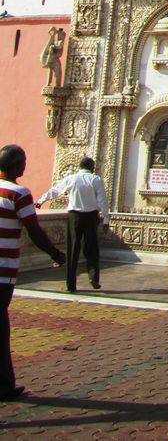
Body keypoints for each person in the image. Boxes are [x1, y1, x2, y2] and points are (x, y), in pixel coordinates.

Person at [0, 144, 66, 401]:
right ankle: (4, 386)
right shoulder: (19, 193)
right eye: (23, 161)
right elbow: (34, 230)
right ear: (16, 165)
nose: (26, 164)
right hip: (3, 271)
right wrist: (56, 253)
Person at [36, 156, 110, 293]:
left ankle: (71, 283)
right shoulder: (95, 179)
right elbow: (102, 201)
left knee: (73, 249)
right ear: (92, 167)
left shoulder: (72, 178)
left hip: (75, 216)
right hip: (91, 216)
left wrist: (41, 200)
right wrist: (106, 219)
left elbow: (56, 191)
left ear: (80, 167)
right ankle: (93, 276)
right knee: (92, 247)